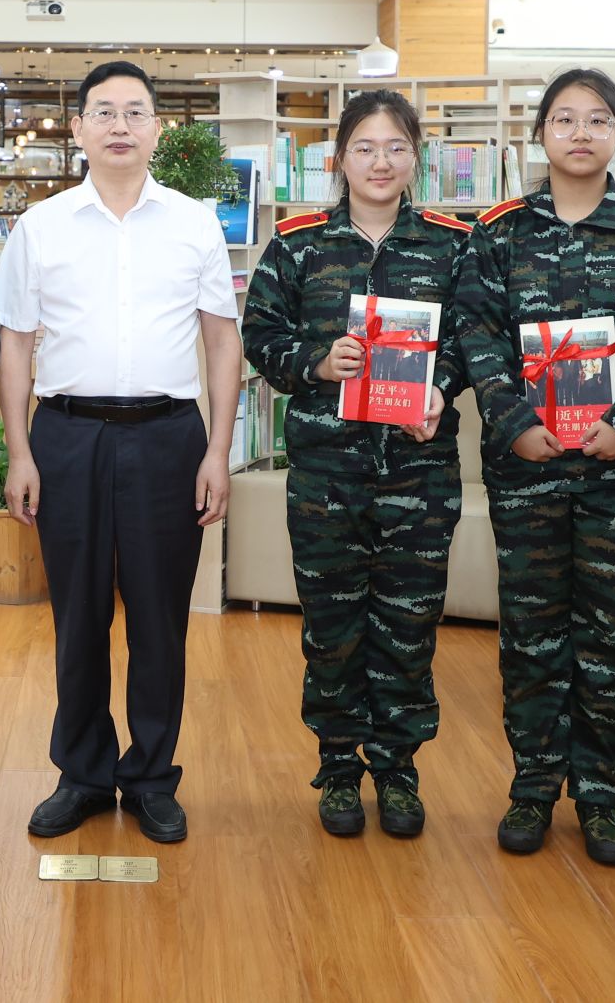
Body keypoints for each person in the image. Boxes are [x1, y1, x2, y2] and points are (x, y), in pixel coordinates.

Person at [454, 68, 615, 866]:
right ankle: (532, 785)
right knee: (530, 634)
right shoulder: (497, 233)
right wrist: (514, 421)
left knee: (612, 635)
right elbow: (477, 334)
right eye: (565, 119)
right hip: (528, 468)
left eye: (598, 120)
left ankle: (600, 793)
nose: (581, 133)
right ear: (541, 135)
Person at [0, 60, 241, 845]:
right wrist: (20, 451)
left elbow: (222, 341)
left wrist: (218, 449)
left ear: (158, 128)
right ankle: (84, 773)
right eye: (104, 111)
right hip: (68, 436)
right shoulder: (42, 226)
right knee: (78, 614)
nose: (120, 125)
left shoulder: (195, 223)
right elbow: (15, 343)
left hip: (170, 437)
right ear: (78, 128)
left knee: (160, 619)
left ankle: (152, 776)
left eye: (136, 111)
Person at [240, 89, 471, 838]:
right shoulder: (298, 243)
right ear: (339, 159)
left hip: (419, 472)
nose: (380, 162)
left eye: (396, 147)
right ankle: (339, 768)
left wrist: (441, 385)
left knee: (408, 625)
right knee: (332, 626)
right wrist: (316, 361)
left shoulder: (453, 244)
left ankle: (398, 770)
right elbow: (259, 335)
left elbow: (478, 337)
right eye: (365, 148)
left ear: (415, 158)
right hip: (327, 478)